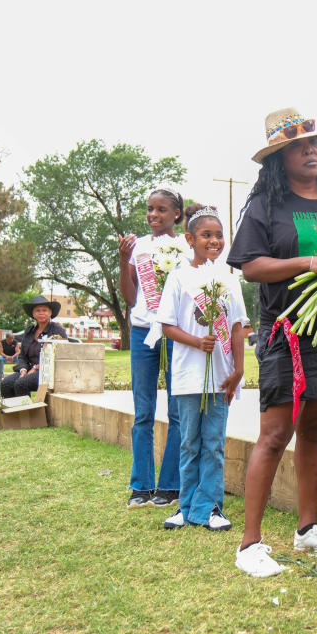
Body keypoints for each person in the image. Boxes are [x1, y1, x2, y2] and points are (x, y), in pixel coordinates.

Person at [227, 108, 317, 577]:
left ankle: (307, 529)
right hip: (285, 333)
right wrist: (308, 261)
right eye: (298, 145)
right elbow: (250, 266)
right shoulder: (265, 207)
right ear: (279, 158)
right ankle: (250, 545)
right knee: (274, 436)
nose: (310, 151)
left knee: (313, 432)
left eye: (315, 145)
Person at [157, 205, 246, 532]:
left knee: (214, 443)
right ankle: (186, 505)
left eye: (219, 235)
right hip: (187, 375)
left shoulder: (229, 280)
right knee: (189, 442)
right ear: (189, 239)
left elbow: (237, 327)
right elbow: (167, 325)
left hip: (220, 375)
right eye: (207, 235)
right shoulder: (178, 277)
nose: (214, 241)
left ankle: (210, 508)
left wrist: (238, 370)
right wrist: (197, 343)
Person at [118, 188, 190, 510]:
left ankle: (170, 485)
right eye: (149, 209)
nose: (153, 215)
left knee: (176, 411)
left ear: (176, 213)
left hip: (174, 334)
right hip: (143, 333)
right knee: (143, 411)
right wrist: (123, 261)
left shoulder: (186, 247)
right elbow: (131, 298)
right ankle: (141, 486)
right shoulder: (138, 248)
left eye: (161, 210)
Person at [1, 296, 68, 397]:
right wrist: (23, 370)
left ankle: (26, 412)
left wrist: (36, 368)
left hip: (48, 371)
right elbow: (22, 356)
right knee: (6, 383)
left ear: (50, 313)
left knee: (21, 383)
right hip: (28, 369)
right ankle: (13, 412)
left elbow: (61, 355)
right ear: (33, 314)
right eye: (37, 310)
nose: (41, 313)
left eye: (44, 310)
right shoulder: (29, 331)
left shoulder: (57, 330)